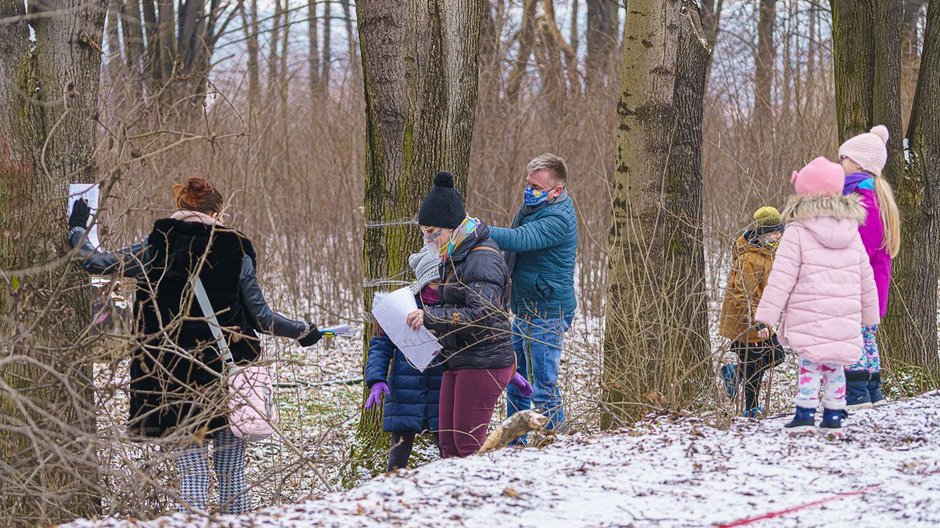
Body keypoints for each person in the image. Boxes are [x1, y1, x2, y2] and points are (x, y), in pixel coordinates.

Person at [67, 177, 322, 514]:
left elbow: (95, 262)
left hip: (171, 379)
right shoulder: (236, 247)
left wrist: (77, 226)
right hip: (228, 379)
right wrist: (304, 331)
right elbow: (261, 318)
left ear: (182, 208)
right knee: (232, 472)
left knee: (193, 471)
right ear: (217, 211)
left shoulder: (156, 247)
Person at [755, 157, 880, 432]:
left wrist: (766, 317)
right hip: (844, 318)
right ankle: (834, 415)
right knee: (835, 366)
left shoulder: (797, 230)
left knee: (809, 365)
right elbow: (865, 277)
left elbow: (781, 279)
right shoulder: (851, 229)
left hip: (809, 317)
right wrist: (870, 317)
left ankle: (805, 414)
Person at [405, 171, 517, 458]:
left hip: (484, 360)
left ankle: (484, 499)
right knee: (448, 446)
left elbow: (482, 314)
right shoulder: (453, 255)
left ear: (453, 227)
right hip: (458, 358)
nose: (429, 239)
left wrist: (430, 317)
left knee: (468, 446)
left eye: (433, 233)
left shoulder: (481, 257)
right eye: (424, 232)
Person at [487, 153, 578, 435]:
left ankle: (555, 441)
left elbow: (521, 239)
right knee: (515, 380)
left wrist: (479, 230)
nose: (530, 191)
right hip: (526, 309)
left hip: (548, 311)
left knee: (543, 386)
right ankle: (514, 444)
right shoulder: (533, 207)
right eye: (528, 184)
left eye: (537, 188)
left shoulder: (559, 218)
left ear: (557, 190)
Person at [364, 247, 445, 471]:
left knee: (450, 453)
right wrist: (376, 379)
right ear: (424, 281)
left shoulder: (453, 307)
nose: (440, 287)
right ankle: (390, 496)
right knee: (397, 459)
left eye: (443, 280)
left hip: (442, 389)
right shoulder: (401, 306)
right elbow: (380, 345)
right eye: (435, 281)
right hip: (404, 390)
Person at [838, 125, 900, 410]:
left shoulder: (864, 195)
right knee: (866, 336)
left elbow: (865, 240)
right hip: (872, 285)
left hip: (861, 284)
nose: (840, 164)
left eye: (843, 158)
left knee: (852, 337)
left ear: (858, 162)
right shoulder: (873, 193)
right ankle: (873, 389)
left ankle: (857, 392)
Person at [718, 206, 786, 417]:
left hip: (760, 316)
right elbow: (742, 295)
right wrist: (756, 322)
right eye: (773, 233)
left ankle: (734, 374)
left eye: (779, 232)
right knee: (754, 366)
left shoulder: (765, 253)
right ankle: (750, 408)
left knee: (775, 355)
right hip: (747, 319)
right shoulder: (750, 258)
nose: (777, 236)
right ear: (761, 233)